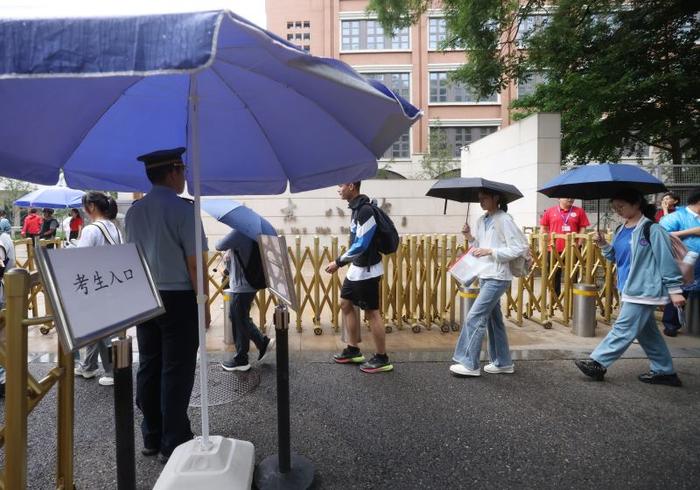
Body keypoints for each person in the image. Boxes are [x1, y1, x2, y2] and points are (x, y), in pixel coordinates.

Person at [125, 147, 210, 463]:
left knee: (149, 363)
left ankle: (151, 434)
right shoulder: (184, 211)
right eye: (183, 170)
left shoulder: (134, 212)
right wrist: (204, 304)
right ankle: (174, 440)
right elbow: (194, 265)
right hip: (178, 298)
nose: (185, 175)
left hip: (144, 295)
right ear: (173, 171)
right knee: (177, 368)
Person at [575, 189, 684, 387]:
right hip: (628, 287)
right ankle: (665, 371)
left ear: (636, 204)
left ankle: (598, 362)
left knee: (623, 327)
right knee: (647, 333)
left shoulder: (652, 229)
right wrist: (603, 245)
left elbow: (666, 260)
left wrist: (675, 290)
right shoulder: (621, 229)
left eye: (621, 206)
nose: (618, 210)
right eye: (615, 207)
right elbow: (616, 258)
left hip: (645, 289)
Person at [450, 189, 529, 377]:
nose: (481, 202)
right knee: (494, 322)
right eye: (479, 199)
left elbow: (519, 247)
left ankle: (470, 364)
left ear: (496, 198)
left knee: (474, 317)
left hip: (498, 276)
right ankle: (502, 362)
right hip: (486, 275)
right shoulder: (482, 220)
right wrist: (469, 237)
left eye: (484, 198)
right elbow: (478, 247)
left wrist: (491, 252)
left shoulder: (504, 219)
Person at [325, 181, 392, 373]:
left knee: (372, 312)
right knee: (345, 304)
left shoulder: (365, 211)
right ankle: (353, 349)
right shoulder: (356, 209)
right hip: (357, 268)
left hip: (368, 270)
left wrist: (338, 262)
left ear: (352, 186)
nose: (338, 188)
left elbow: (362, 244)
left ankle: (382, 358)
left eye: (341, 184)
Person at [72, 192, 122, 386]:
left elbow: (81, 260)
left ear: (91, 206)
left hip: (95, 284)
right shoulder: (114, 227)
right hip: (111, 282)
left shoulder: (91, 230)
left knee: (103, 329)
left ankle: (112, 371)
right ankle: (89, 366)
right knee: (97, 326)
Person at [216, 231, 275, 372]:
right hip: (246, 285)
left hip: (242, 286)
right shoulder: (250, 233)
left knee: (239, 318)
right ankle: (258, 346)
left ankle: (243, 358)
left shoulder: (239, 233)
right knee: (237, 317)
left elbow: (219, 245)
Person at [659, 188, 700, 336]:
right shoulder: (677, 216)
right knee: (679, 293)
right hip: (683, 263)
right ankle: (671, 324)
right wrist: (690, 232)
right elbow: (661, 236)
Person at [539, 198, 590, 296]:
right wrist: (542, 247)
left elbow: (583, 228)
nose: (570, 199)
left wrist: (579, 243)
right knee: (553, 274)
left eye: (572, 197)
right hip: (553, 248)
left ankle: (572, 297)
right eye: (567, 197)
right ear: (559, 198)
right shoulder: (550, 211)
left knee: (573, 273)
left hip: (572, 248)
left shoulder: (579, 211)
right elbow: (543, 228)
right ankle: (555, 298)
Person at [0, 219, 16, 398]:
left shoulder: (1, 240)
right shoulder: (5, 236)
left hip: (2, 293)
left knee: (2, 339)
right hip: (5, 291)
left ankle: (4, 379)